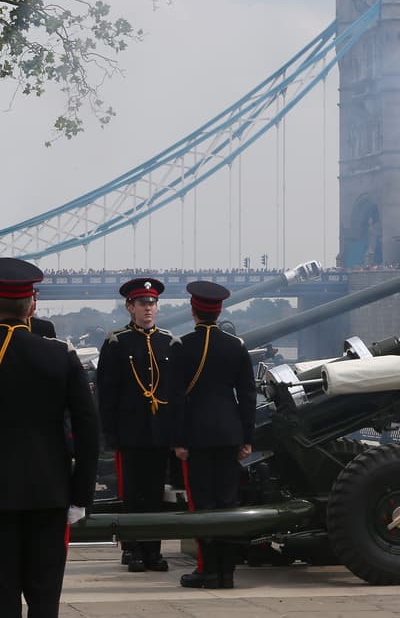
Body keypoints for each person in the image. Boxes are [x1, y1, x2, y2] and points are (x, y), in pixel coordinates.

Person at [0, 258, 99, 618]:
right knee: (44, 598)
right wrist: (80, 496)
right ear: (32, 305)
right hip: (49, 493)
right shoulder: (59, 354)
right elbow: (88, 428)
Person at [168, 281, 255, 590]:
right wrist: (247, 437)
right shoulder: (237, 346)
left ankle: (208, 571)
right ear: (219, 311)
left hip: (196, 437)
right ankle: (226, 573)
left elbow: (176, 398)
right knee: (227, 505)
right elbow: (247, 395)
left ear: (193, 310)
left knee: (201, 506)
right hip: (230, 434)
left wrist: (178, 440)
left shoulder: (181, 346)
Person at [96, 276, 175, 572]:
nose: (148, 309)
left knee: (155, 495)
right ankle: (133, 550)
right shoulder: (117, 343)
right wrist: (110, 433)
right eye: (142, 304)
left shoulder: (167, 341)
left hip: (158, 432)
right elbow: (107, 393)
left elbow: (174, 391)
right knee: (132, 495)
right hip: (130, 432)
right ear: (130, 306)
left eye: (152, 303)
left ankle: (153, 550)